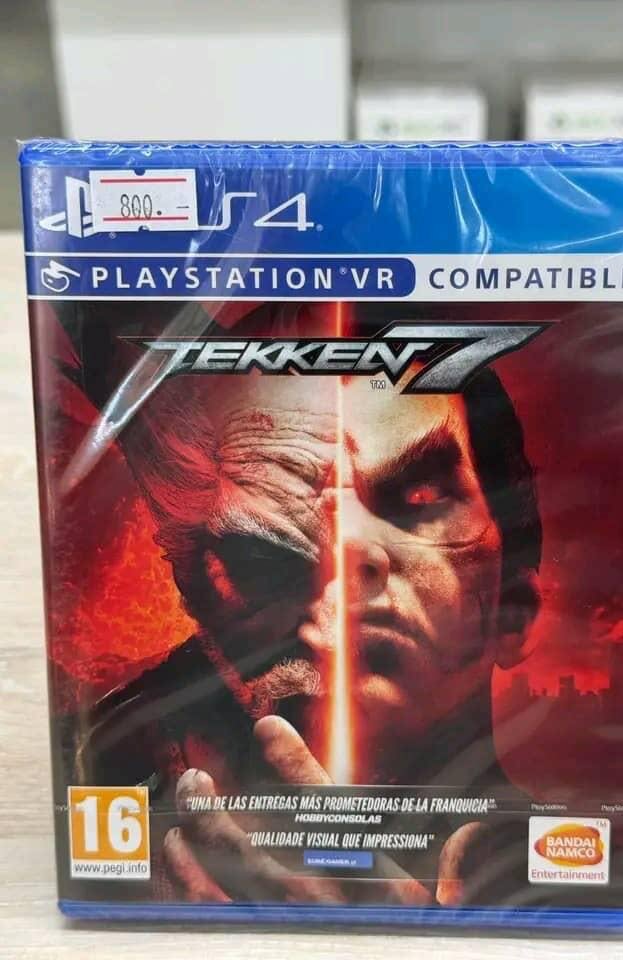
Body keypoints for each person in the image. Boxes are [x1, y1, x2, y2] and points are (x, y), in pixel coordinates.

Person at [69, 306, 543, 906]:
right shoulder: (103, 805)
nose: (341, 553)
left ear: (514, 608)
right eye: (260, 553)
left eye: (420, 497)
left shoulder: (585, 879)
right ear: (200, 601)